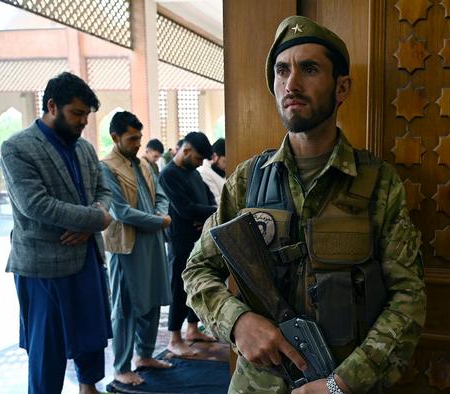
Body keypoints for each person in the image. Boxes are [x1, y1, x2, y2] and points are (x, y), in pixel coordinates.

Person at [182, 16, 426, 394]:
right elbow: (197, 270)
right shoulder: (246, 181)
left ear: (342, 87)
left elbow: (408, 300)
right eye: (282, 71)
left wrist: (340, 384)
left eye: (309, 69)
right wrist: (237, 321)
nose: (291, 84)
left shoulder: (378, 184)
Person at [0, 72, 113, 394]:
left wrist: (91, 219)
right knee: (46, 347)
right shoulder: (17, 147)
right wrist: (94, 219)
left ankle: (89, 388)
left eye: (87, 116)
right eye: (77, 114)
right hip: (43, 265)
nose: (82, 122)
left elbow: (104, 190)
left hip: (87, 257)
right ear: (52, 106)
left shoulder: (85, 149)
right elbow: (35, 205)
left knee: (91, 336)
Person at [100, 111, 174, 386]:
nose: (137, 144)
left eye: (139, 138)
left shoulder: (143, 163)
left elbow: (162, 195)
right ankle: (121, 367)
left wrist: (161, 215)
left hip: (152, 241)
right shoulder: (106, 167)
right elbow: (120, 210)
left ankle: (144, 355)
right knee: (126, 308)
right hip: (126, 247)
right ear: (115, 137)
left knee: (153, 300)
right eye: (132, 139)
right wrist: (159, 220)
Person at [159, 131, 217, 356]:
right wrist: (209, 213)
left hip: (198, 237)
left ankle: (192, 329)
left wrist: (207, 216)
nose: (200, 163)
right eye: (198, 158)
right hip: (180, 239)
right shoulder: (169, 175)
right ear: (186, 150)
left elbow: (209, 197)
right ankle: (175, 337)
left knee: (197, 284)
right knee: (179, 288)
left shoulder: (193, 172)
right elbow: (185, 208)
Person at [197, 138, 227, 204]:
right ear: (215, 156)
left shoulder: (218, 169)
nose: (227, 165)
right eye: (225, 161)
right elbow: (216, 200)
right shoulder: (204, 172)